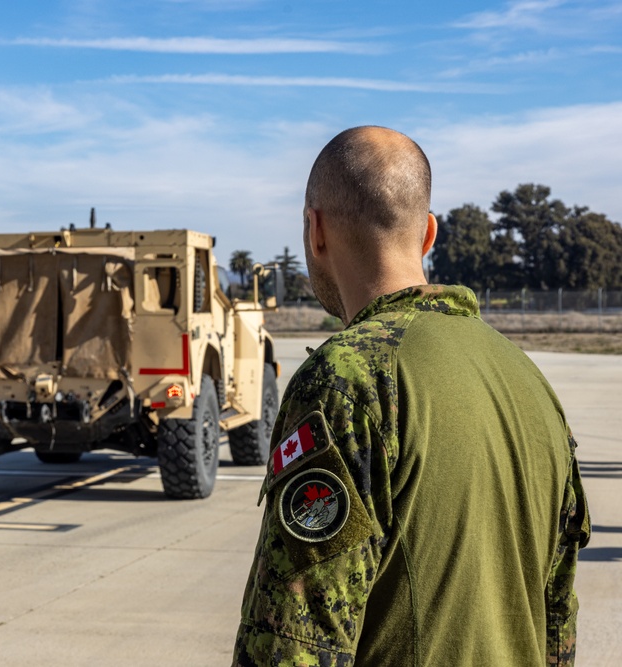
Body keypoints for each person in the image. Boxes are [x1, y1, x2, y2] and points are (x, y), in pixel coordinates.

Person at [233, 126, 590, 666]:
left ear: (315, 230)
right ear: (428, 234)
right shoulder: (531, 383)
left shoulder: (346, 379)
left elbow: (293, 643)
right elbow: (558, 626)